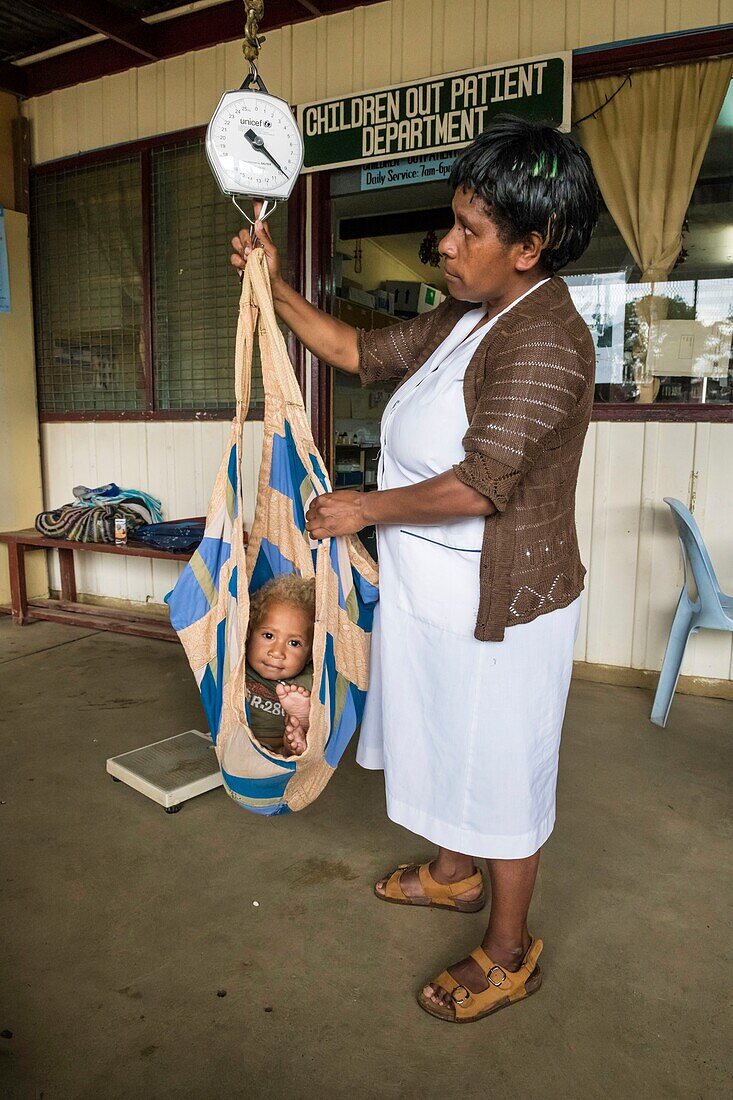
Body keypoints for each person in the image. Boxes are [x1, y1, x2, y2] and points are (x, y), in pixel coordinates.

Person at [231, 115, 600, 1023]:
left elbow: (483, 483)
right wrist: (270, 284)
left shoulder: (545, 338)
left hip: (500, 604)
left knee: (503, 768)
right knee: (444, 739)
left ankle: (509, 952)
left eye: (469, 230)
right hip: (432, 588)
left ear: (529, 247)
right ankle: (450, 874)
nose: (445, 242)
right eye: (453, 219)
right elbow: (360, 352)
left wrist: (362, 508)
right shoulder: (465, 315)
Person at [245, 574, 314, 756]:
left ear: (310, 654)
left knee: (293, 737)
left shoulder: (306, 683)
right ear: (249, 633)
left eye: (294, 643)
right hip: (240, 736)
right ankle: (294, 740)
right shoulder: (237, 665)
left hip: (279, 742)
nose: (277, 652)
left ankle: (299, 732)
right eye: (268, 636)